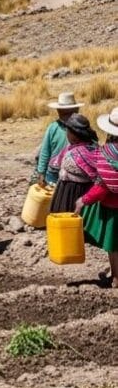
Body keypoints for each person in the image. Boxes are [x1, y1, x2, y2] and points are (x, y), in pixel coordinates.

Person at [76, 107, 118, 288]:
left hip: (112, 210)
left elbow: (102, 186)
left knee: (114, 247)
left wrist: (84, 200)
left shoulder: (106, 153)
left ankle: (116, 277)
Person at [47, 113, 98, 214]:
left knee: (67, 220)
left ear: (74, 135)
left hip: (71, 194)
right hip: (85, 194)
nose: (66, 134)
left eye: (67, 131)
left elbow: (56, 167)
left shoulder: (74, 154)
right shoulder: (94, 148)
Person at [37, 92, 84, 186]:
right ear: (58, 111)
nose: (65, 116)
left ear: (76, 111)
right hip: (54, 171)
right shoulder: (53, 128)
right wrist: (41, 172)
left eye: (68, 113)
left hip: (75, 171)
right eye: (62, 112)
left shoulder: (82, 128)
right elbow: (45, 151)